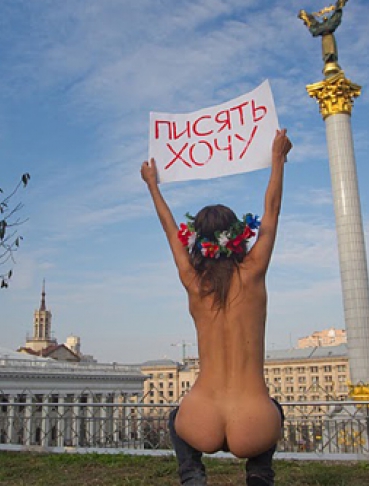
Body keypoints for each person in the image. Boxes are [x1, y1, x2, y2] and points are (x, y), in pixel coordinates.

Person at [140, 129, 293, 486]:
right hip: (253, 422)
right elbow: (271, 212)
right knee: (275, 411)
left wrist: (152, 185)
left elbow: (169, 230)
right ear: (237, 235)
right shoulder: (253, 272)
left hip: (200, 418)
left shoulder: (193, 283)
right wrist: (278, 159)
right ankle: (259, 473)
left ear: (196, 241)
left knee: (175, 418)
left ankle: (192, 474)